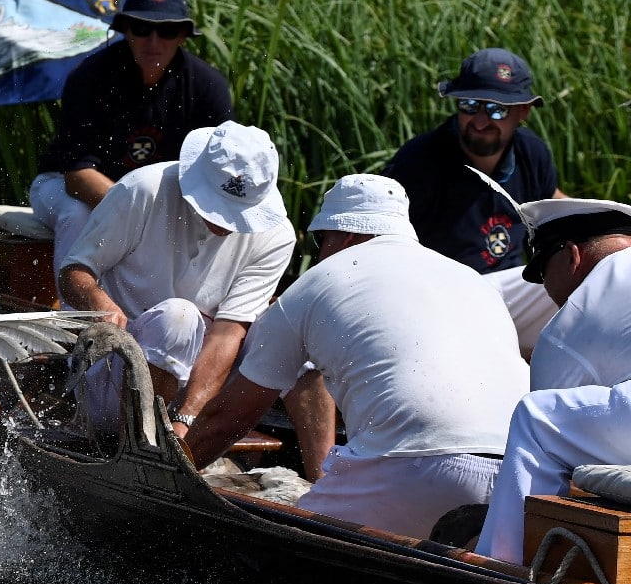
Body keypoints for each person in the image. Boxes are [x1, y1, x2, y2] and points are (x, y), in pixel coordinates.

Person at [184, 174, 529, 539]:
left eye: (321, 241)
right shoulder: (473, 280)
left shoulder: (316, 282)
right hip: (519, 476)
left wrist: (170, 474)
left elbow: (229, 417)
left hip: (416, 465)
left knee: (274, 549)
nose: (319, 253)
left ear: (344, 236)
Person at [59, 121, 293, 440]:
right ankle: (140, 444)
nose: (224, 223)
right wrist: (102, 305)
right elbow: (73, 272)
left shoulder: (277, 237)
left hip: (201, 382)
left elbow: (227, 333)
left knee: (298, 334)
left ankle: (323, 478)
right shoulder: (143, 190)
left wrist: (185, 423)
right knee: (178, 318)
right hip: (113, 372)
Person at [30, 0, 234, 291]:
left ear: (182, 36)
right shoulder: (90, 77)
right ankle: (75, 321)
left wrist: (151, 218)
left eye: (166, 31)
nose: (154, 41)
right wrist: (139, 216)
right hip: (63, 185)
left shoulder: (208, 87)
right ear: (127, 30)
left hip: (156, 201)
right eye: (142, 28)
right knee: (77, 215)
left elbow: (216, 174)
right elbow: (78, 177)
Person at [475, 198, 631, 564]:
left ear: (572, 256)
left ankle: (502, 566)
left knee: (536, 419)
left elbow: (550, 457)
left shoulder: (571, 321)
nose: (545, 289)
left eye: (542, 273)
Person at [382, 48, 565, 355]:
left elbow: (553, 202)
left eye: (496, 110)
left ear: (523, 111)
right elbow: (378, 238)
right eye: (470, 105)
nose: (480, 122)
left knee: (593, 274)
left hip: (505, 293)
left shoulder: (531, 153)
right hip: (436, 298)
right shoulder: (419, 162)